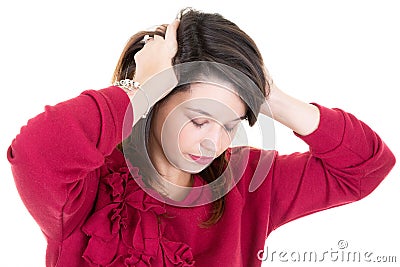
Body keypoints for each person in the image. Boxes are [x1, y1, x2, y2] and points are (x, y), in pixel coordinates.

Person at [6, 8, 395, 267]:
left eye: (230, 125)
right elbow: (34, 154)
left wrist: (273, 97)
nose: (215, 143)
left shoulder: (251, 184)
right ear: (156, 102)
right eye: (198, 120)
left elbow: (365, 169)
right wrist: (137, 88)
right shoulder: (86, 190)